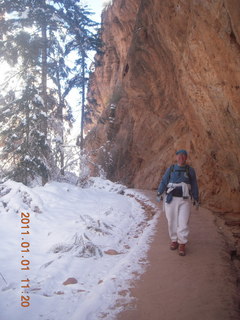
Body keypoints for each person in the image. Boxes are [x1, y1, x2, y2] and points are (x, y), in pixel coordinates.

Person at [156, 149, 199, 256]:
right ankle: (174, 240)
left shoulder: (190, 170)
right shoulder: (171, 169)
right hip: (171, 199)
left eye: (183, 156)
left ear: (186, 157)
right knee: (171, 221)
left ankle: (182, 243)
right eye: (179, 156)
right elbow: (164, 181)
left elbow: (194, 184)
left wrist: (196, 198)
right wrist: (159, 193)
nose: (181, 158)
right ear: (176, 157)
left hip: (185, 199)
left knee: (183, 222)